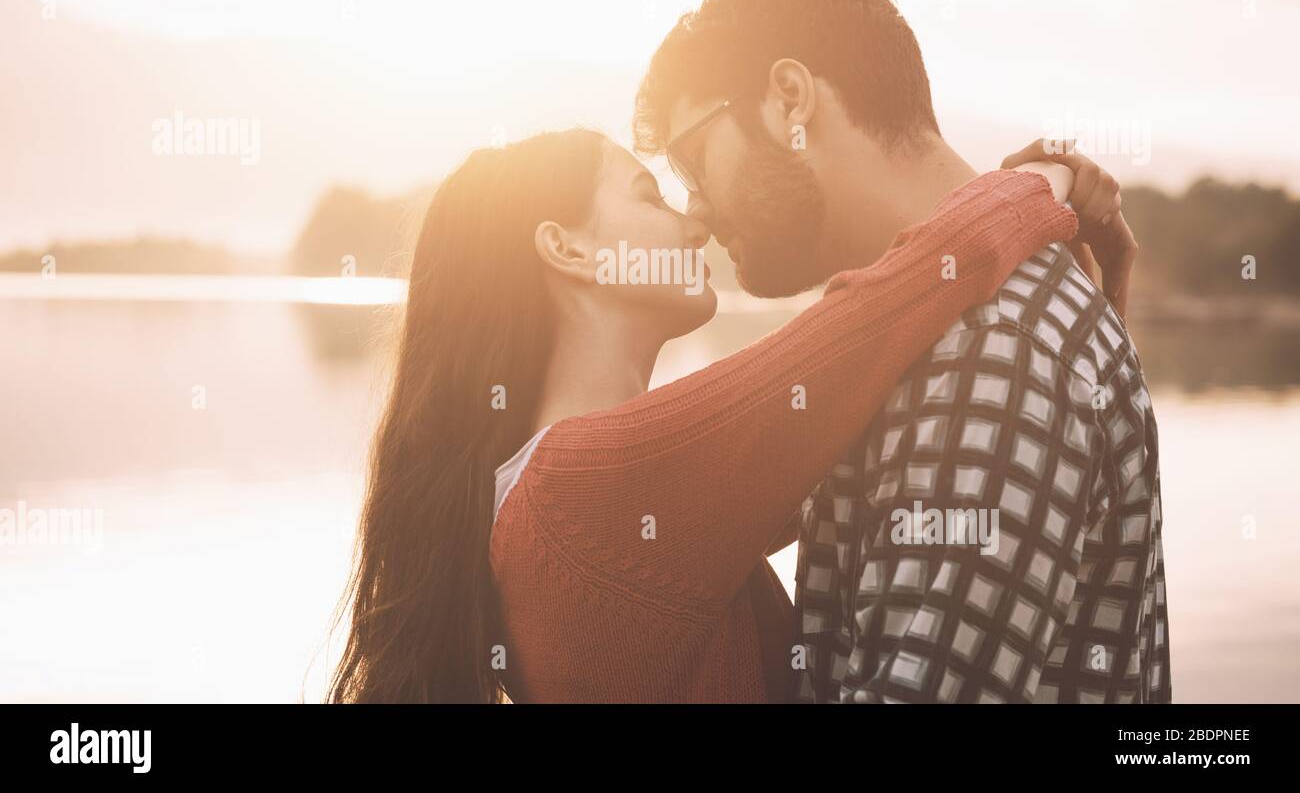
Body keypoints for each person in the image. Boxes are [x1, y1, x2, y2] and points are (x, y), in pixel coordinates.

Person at [329, 120, 1116, 702]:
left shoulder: (573, 495)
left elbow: (921, 430)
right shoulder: (582, 489)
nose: (696, 221)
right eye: (648, 194)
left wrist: (1088, 301)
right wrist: (1050, 182)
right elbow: (888, 303)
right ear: (567, 250)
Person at [633, 0, 1169, 702]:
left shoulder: (989, 344)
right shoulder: (933, 327)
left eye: (693, 159)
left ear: (789, 97)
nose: (693, 209)